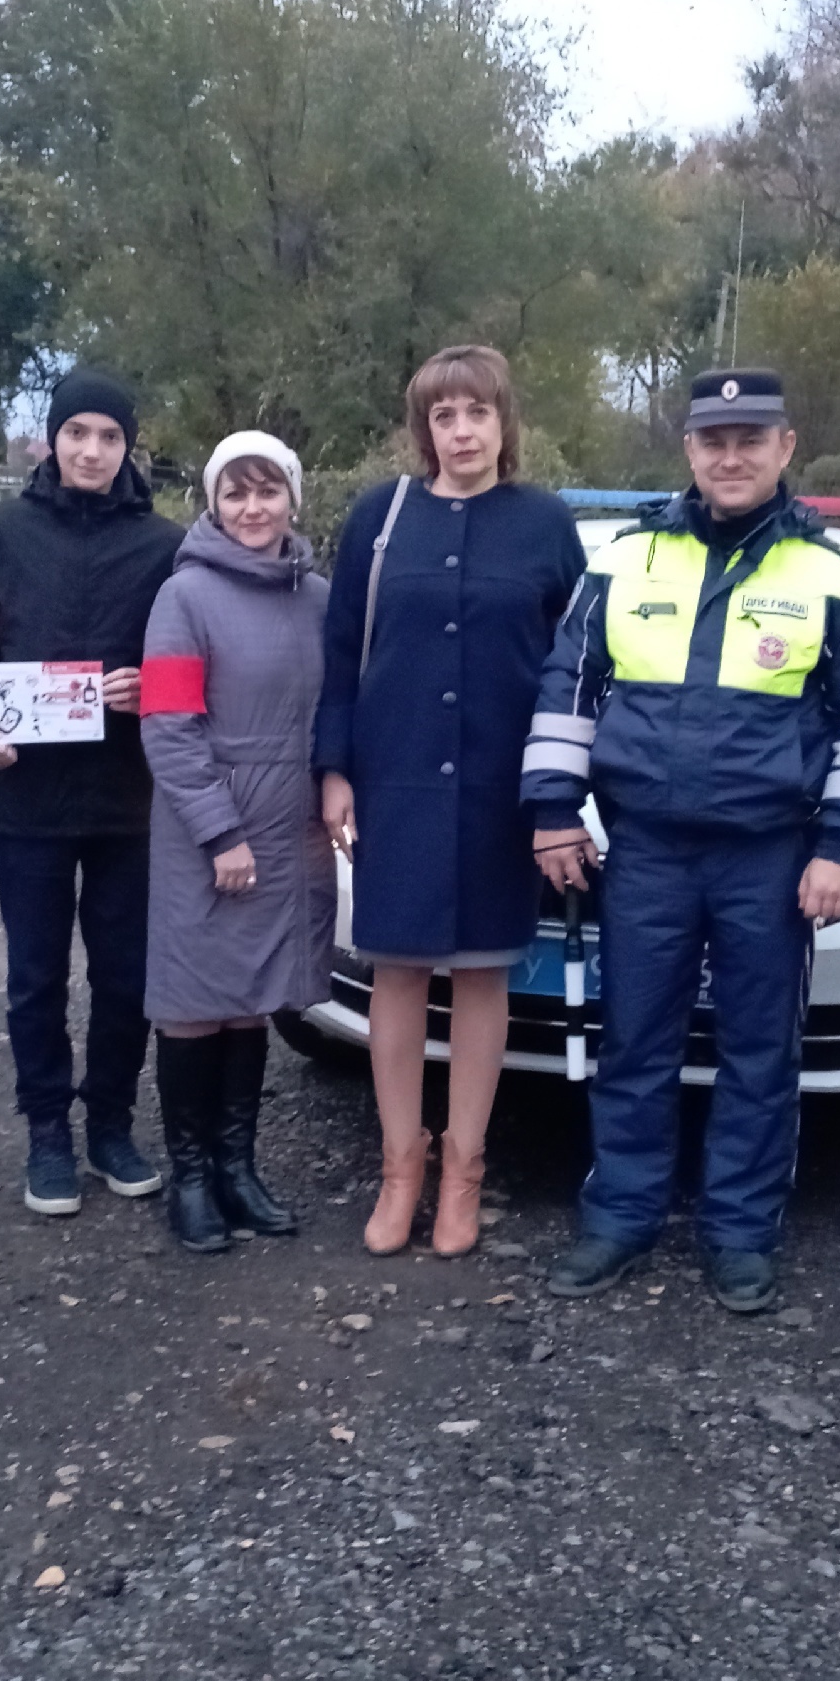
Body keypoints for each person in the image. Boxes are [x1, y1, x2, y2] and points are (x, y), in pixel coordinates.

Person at [522, 369, 840, 1314]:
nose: (730, 456)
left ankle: (740, 1233)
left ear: (785, 447)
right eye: (712, 440)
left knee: (760, 1053)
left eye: (750, 437)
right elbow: (567, 688)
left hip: (771, 856)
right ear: (688, 451)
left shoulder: (836, 576)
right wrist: (553, 810)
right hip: (646, 848)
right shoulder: (622, 559)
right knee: (635, 1044)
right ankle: (620, 1214)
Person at [315, 347, 587, 1257]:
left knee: (482, 974)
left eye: (477, 413)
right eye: (444, 416)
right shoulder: (378, 520)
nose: (462, 431)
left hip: (499, 788)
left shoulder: (545, 525)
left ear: (505, 422)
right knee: (396, 971)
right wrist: (335, 768)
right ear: (423, 428)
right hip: (394, 780)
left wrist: (564, 790)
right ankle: (402, 1168)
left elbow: (575, 670)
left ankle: (465, 1170)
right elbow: (343, 651)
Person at [0, 368, 182, 1217]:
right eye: (76, 433)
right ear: (51, 439)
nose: (91, 449)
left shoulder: (165, 545)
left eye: (109, 437)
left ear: (127, 448)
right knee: (34, 975)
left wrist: (150, 688)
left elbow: (193, 660)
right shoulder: (0, 532)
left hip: (130, 799)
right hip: (29, 798)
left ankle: (111, 1122)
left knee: (125, 976)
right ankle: (46, 1129)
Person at [139, 432, 335, 1253]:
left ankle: (237, 1166)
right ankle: (190, 1177)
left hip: (292, 826)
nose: (252, 508)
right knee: (193, 1003)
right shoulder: (183, 598)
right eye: (235, 494)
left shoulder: (319, 596)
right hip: (207, 828)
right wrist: (219, 828)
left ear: (293, 497)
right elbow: (169, 724)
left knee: (254, 998)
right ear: (213, 505)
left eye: (268, 491)